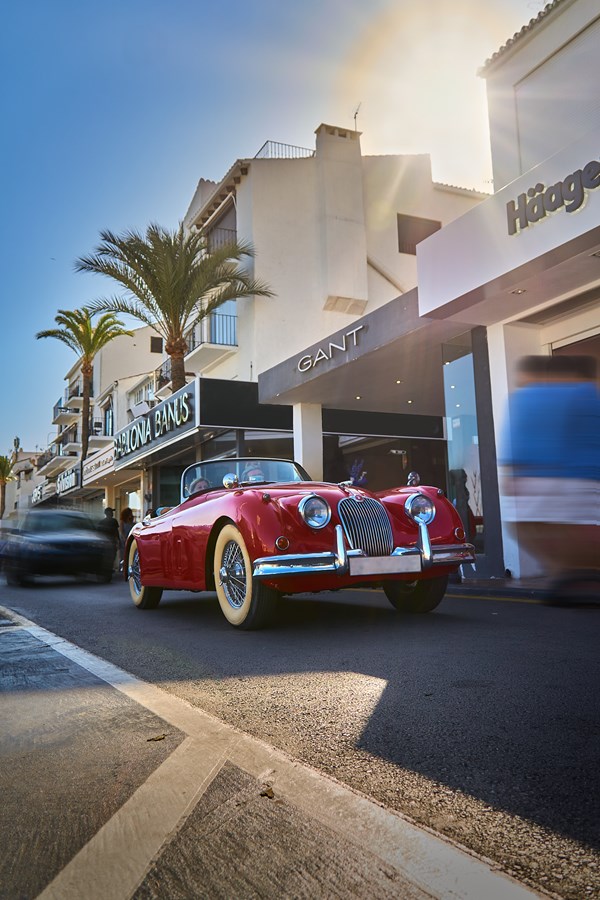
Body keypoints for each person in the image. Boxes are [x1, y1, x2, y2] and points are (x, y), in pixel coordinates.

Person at [499, 354, 600, 597]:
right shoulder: (584, 393)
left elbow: (514, 443)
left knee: (534, 530)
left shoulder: (523, 398)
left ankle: (567, 573)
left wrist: (511, 476)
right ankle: (577, 573)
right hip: (577, 479)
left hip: (533, 481)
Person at [98, 507, 120, 571]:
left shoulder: (101, 522)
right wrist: (118, 540)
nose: (112, 513)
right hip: (112, 541)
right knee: (112, 555)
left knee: (107, 555)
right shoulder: (114, 521)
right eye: (111, 512)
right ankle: (110, 568)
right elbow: (116, 532)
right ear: (108, 513)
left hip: (105, 541)